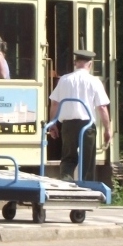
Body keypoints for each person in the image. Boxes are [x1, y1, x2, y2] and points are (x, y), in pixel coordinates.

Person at [48, 49, 112, 182]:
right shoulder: (94, 81)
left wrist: (53, 124)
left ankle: (66, 182)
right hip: (87, 125)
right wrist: (108, 129)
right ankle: (87, 185)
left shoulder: (64, 80)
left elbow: (55, 104)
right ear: (90, 64)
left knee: (68, 157)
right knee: (87, 158)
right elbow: (102, 107)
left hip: (68, 125)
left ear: (75, 63)